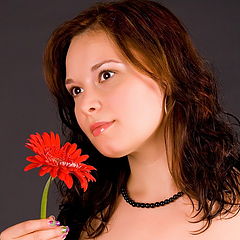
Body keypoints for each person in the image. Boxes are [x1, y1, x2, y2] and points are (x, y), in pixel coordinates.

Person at [1, 0, 240, 239]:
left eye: (106, 75)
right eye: (76, 90)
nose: (85, 105)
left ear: (166, 73)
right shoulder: (83, 221)